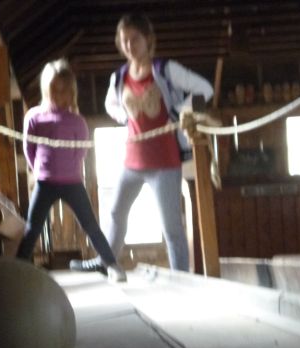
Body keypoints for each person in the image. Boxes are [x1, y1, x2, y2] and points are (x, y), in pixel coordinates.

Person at [70, 12, 213, 273]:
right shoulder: (119, 77)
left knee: (171, 227)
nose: (129, 45)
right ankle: (106, 261)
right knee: (116, 212)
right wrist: (125, 118)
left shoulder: (166, 70)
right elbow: (110, 104)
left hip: (164, 162)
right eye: (124, 40)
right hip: (132, 161)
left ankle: (180, 276)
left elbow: (205, 89)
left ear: (148, 39)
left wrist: (178, 111)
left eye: (135, 39)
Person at [16, 59, 126, 283]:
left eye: (64, 90)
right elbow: (29, 148)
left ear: (71, 93)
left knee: (91, 225)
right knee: (32, 228)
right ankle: (16, 270)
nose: (59, 95)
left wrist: (69, 169)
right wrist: (39, 169)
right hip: (45, 183)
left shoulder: (77, 122)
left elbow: (80, 151)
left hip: (72, 183)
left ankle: (112, 265)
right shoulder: (35, 117)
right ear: (46, 89)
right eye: (54, 89)